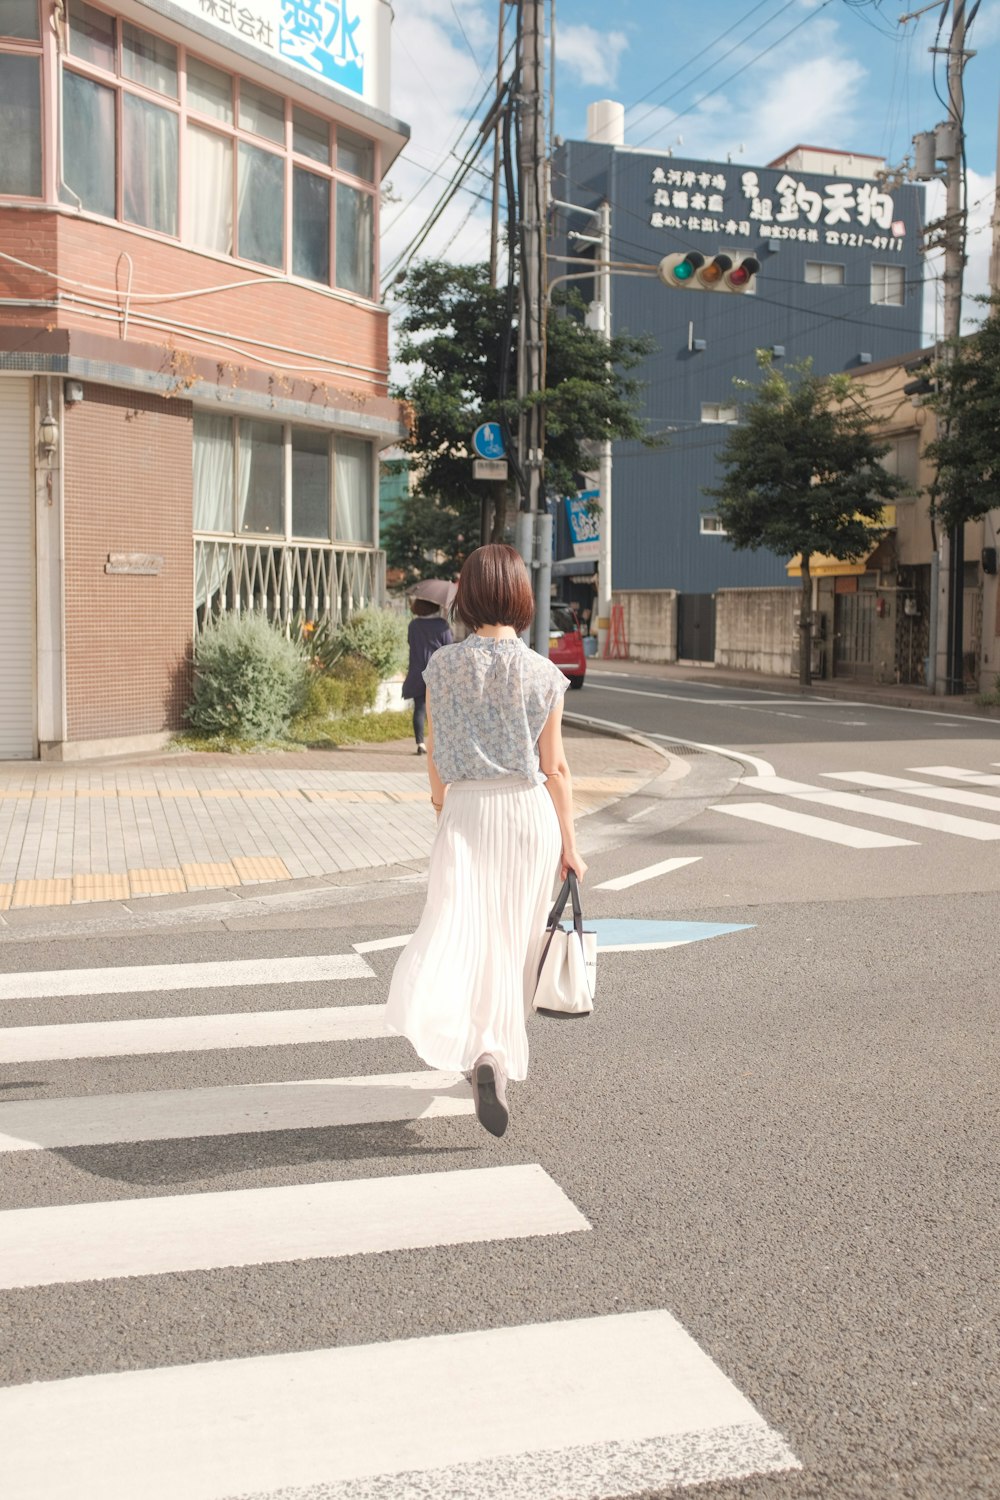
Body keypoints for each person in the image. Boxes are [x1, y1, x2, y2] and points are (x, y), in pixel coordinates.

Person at [384, 544, 587, 1138]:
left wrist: (443, 810)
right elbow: (558, 769)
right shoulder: (544, 674)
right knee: (513, 942)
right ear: (522, 596)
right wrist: (570, 845)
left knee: (458, 930)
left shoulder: (441, 667)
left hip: (468, 812)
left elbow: (437, 760)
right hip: (528, 816)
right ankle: (494, 1052)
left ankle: (479, 1052)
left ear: (466, 597)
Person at [401, 597, 453, 754]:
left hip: (417, 671)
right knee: (438, 709)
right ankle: (437, 743)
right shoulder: (442, 625)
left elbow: (410, 643)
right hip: (438, 672)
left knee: (420, 708)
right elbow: (449, 648)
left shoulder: (413, 625)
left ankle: (420, 743)